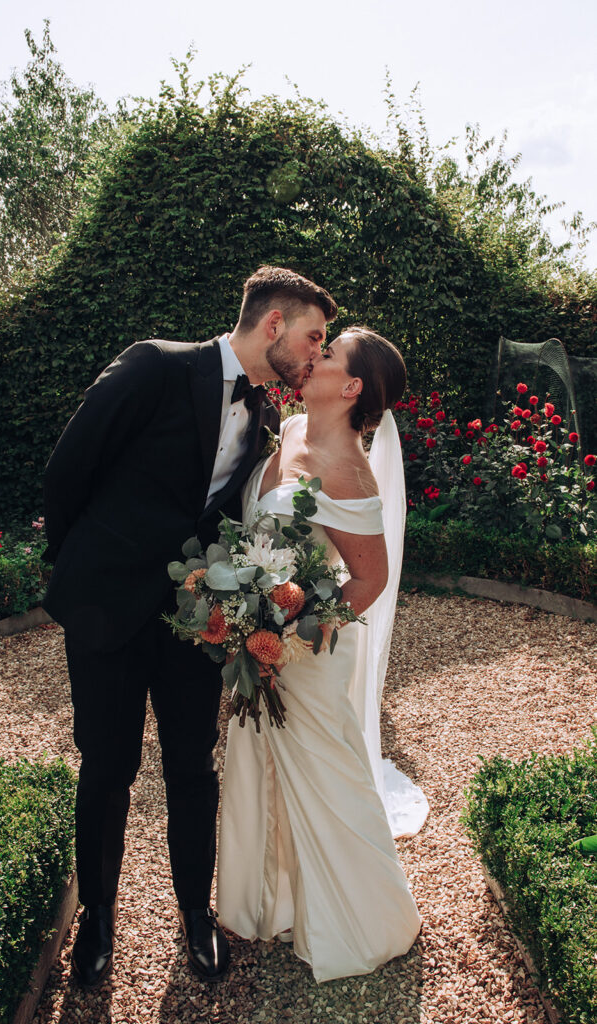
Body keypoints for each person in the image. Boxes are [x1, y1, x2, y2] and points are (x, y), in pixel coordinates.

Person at [41, 266, 338, 987]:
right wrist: (82, 571)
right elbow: (68, 470)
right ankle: (100, 921)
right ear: (273, 326)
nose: (316, 354)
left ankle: (194, 916)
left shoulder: (264, 418)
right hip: (105, 611)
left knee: (191, 770)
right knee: (106, 768)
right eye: (312, 337)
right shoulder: (154, 365)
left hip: (192, 620)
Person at [216, 326, 427, 983]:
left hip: (307, 648)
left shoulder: (349, 471)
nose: (315, 356)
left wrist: (301, 633)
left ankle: (364, 919)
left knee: (326, 777)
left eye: (329, 353)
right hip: (260, 635)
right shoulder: (294, 424)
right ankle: (271, 903)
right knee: (260, 764)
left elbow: (368, 580)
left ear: (353, 385)